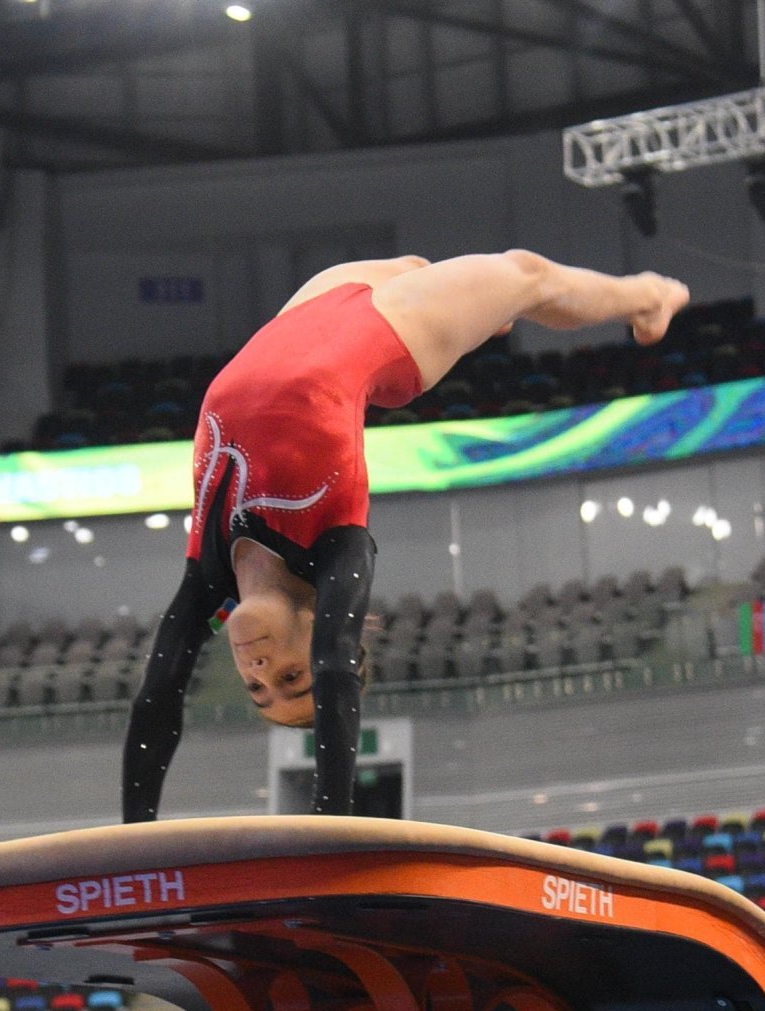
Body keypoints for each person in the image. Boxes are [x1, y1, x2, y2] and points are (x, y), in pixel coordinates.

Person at [120, 251, 691, 823]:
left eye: (258, 689)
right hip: (389, 335)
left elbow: (159, 693)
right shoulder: (334, 544)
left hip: (306, 313)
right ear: (313, 633)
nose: (260, 671)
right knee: (526, 276)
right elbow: (338, 669)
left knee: (416, 265)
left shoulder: (208, 575)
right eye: (291, 677)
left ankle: (475, 308)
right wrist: (331, 827)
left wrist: (133, 836)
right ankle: (647, 295)